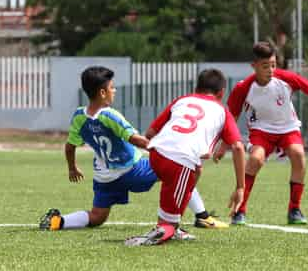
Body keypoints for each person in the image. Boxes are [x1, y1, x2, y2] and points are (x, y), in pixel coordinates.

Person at [39, 66, 228, 237]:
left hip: (105, 176)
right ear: (103, 92)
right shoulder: (110, 115)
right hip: (133, 170)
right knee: (182, 168)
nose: (115, 91)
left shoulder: (79, 116)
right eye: (112, 87)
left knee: (97, 217)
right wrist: (168, 148)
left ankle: (59, 221)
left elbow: (70, 146)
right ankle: (202, 217)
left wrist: (72, 168)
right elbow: (135, 140)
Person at [216, 42, 308, 226]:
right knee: (255, 160)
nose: (271, 70)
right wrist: (223, 144)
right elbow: (232, 117)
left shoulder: (284, 78)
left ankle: (294, 210)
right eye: (265, 66)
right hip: (261, 129)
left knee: (299, 154)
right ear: (254, 66)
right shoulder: (243, 88)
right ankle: (239, 211)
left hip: (288, 128)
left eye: (274, 65)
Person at [124, 69, 246, 246]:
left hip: (156, 154)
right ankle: (164, 230)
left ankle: (172, 225)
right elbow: (238, 147)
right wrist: (240, 187)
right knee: (167, 224)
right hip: (179, 163)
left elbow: (150, 132)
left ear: (196, 88)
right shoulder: (222, 111)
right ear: (221, 93)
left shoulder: (182, 100)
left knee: (196, 170)